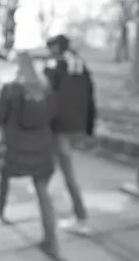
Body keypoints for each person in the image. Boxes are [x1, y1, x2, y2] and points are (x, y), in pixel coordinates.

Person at [0, 52, 66, 261]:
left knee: (5, 174)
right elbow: (53, 115)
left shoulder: (11, 89)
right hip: (42, 147)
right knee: (42, 191)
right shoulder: (46, 89)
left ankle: (0, 207)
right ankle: (51, 241)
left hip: (14, 145)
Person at [44, 34, 96, 235]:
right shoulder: (81, 67)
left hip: (60, 127)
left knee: (64, 173)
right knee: (54, 167)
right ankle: (50, 202)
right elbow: (91, 97)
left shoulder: (55, 68)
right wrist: (89, 127)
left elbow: (50, 99)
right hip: (78, 126)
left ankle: (80, 217)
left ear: (56, 48)